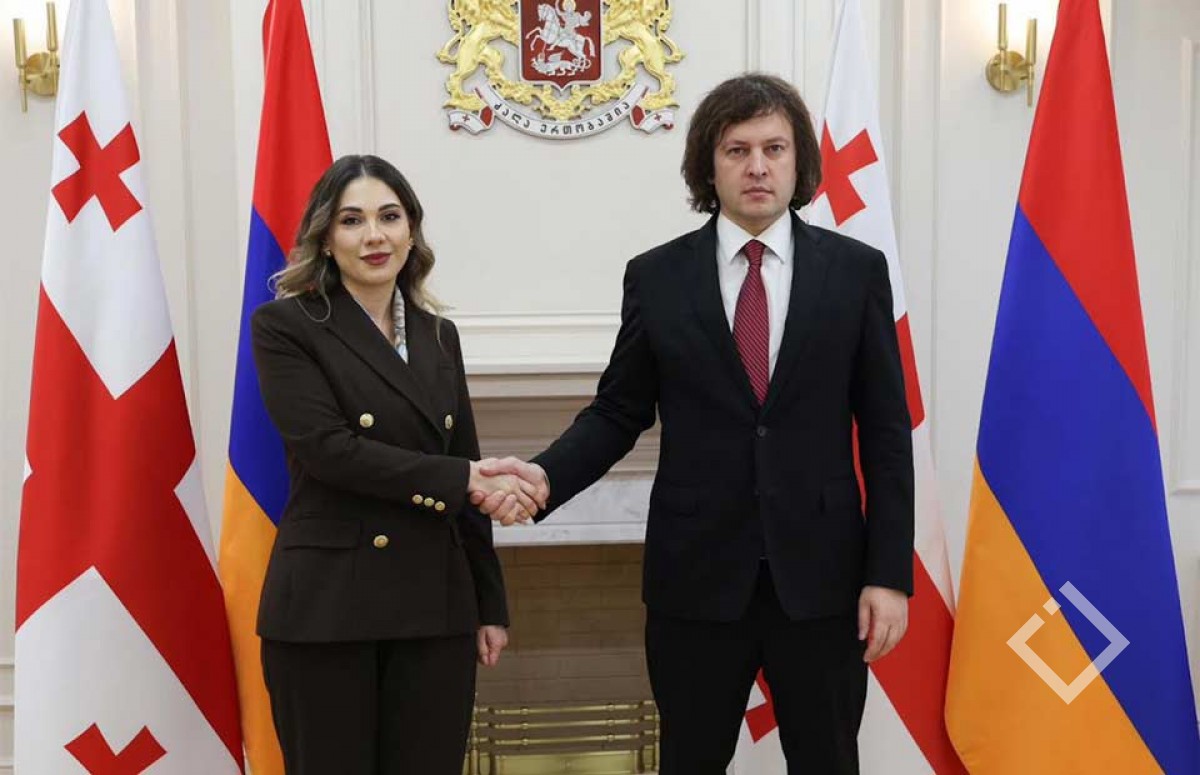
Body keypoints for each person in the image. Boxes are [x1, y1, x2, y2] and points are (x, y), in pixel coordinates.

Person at [474, 73, 914, 774]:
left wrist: (889, 575)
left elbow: (888, 434)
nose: (757, 166)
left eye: (774, 148)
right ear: (709, 167)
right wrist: (543, 476)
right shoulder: (657, 277)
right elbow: (618, 411)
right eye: (737, 150)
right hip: (696, 580)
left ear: (799, 161)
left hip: (823, 581)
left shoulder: (856, 272)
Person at [251, 155, 536, 774]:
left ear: (411, 231)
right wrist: (463, 479)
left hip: (436, 605)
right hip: (328, 610)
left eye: (389, 216)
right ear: (326, 237)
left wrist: (489, 603)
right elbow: (328, 450)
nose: (374, 236)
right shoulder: (285, 326)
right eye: (352, 220)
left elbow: (464, 460)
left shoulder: (439, 336)